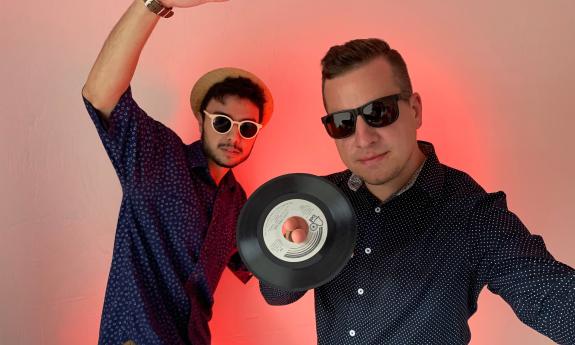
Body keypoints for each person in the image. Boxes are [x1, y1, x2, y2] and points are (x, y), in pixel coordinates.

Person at [259, 38, 574, 344]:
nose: (363, 138)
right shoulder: (318, 201)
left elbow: (551, 296)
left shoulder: (471, 215)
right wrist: (295, 248)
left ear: (415, 110)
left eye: (378, 112)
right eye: (343, 122)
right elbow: (276, 294)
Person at [82, 0, 273, 343]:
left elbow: (267, 268)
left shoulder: (239, 205)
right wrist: (156, 2)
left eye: (247, 128)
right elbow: (100, 94)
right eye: (222, 122)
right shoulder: (158, 155)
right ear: (201, 119)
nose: (233, 136)